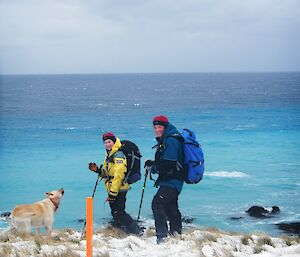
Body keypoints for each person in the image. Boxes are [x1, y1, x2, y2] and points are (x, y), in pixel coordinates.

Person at [89, 132, 141, 234]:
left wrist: (113, 193)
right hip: (113, 188)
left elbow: (118, 175)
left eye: (109, 142)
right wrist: (98, 171)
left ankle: (137, 231)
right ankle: (122, 231)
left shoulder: (118, 155)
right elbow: (108, 173)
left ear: (114, 142)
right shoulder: (110, 153)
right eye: (105, 142)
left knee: (119, 212)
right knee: (115, 212)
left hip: (119, 188)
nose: (107, 144)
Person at [144, 115, 184, 244]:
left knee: (157, 203)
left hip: (173, 180)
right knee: (171, 207)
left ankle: (161, 237)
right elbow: (166, 160)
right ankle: (176, 234)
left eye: (159, 127)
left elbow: (169, 164)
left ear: (165, 127)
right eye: (155, 127)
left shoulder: (171, 140)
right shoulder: (167, 139)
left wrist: (154, 168)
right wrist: (153, 163)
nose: (156, 129)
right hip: (171, 180)